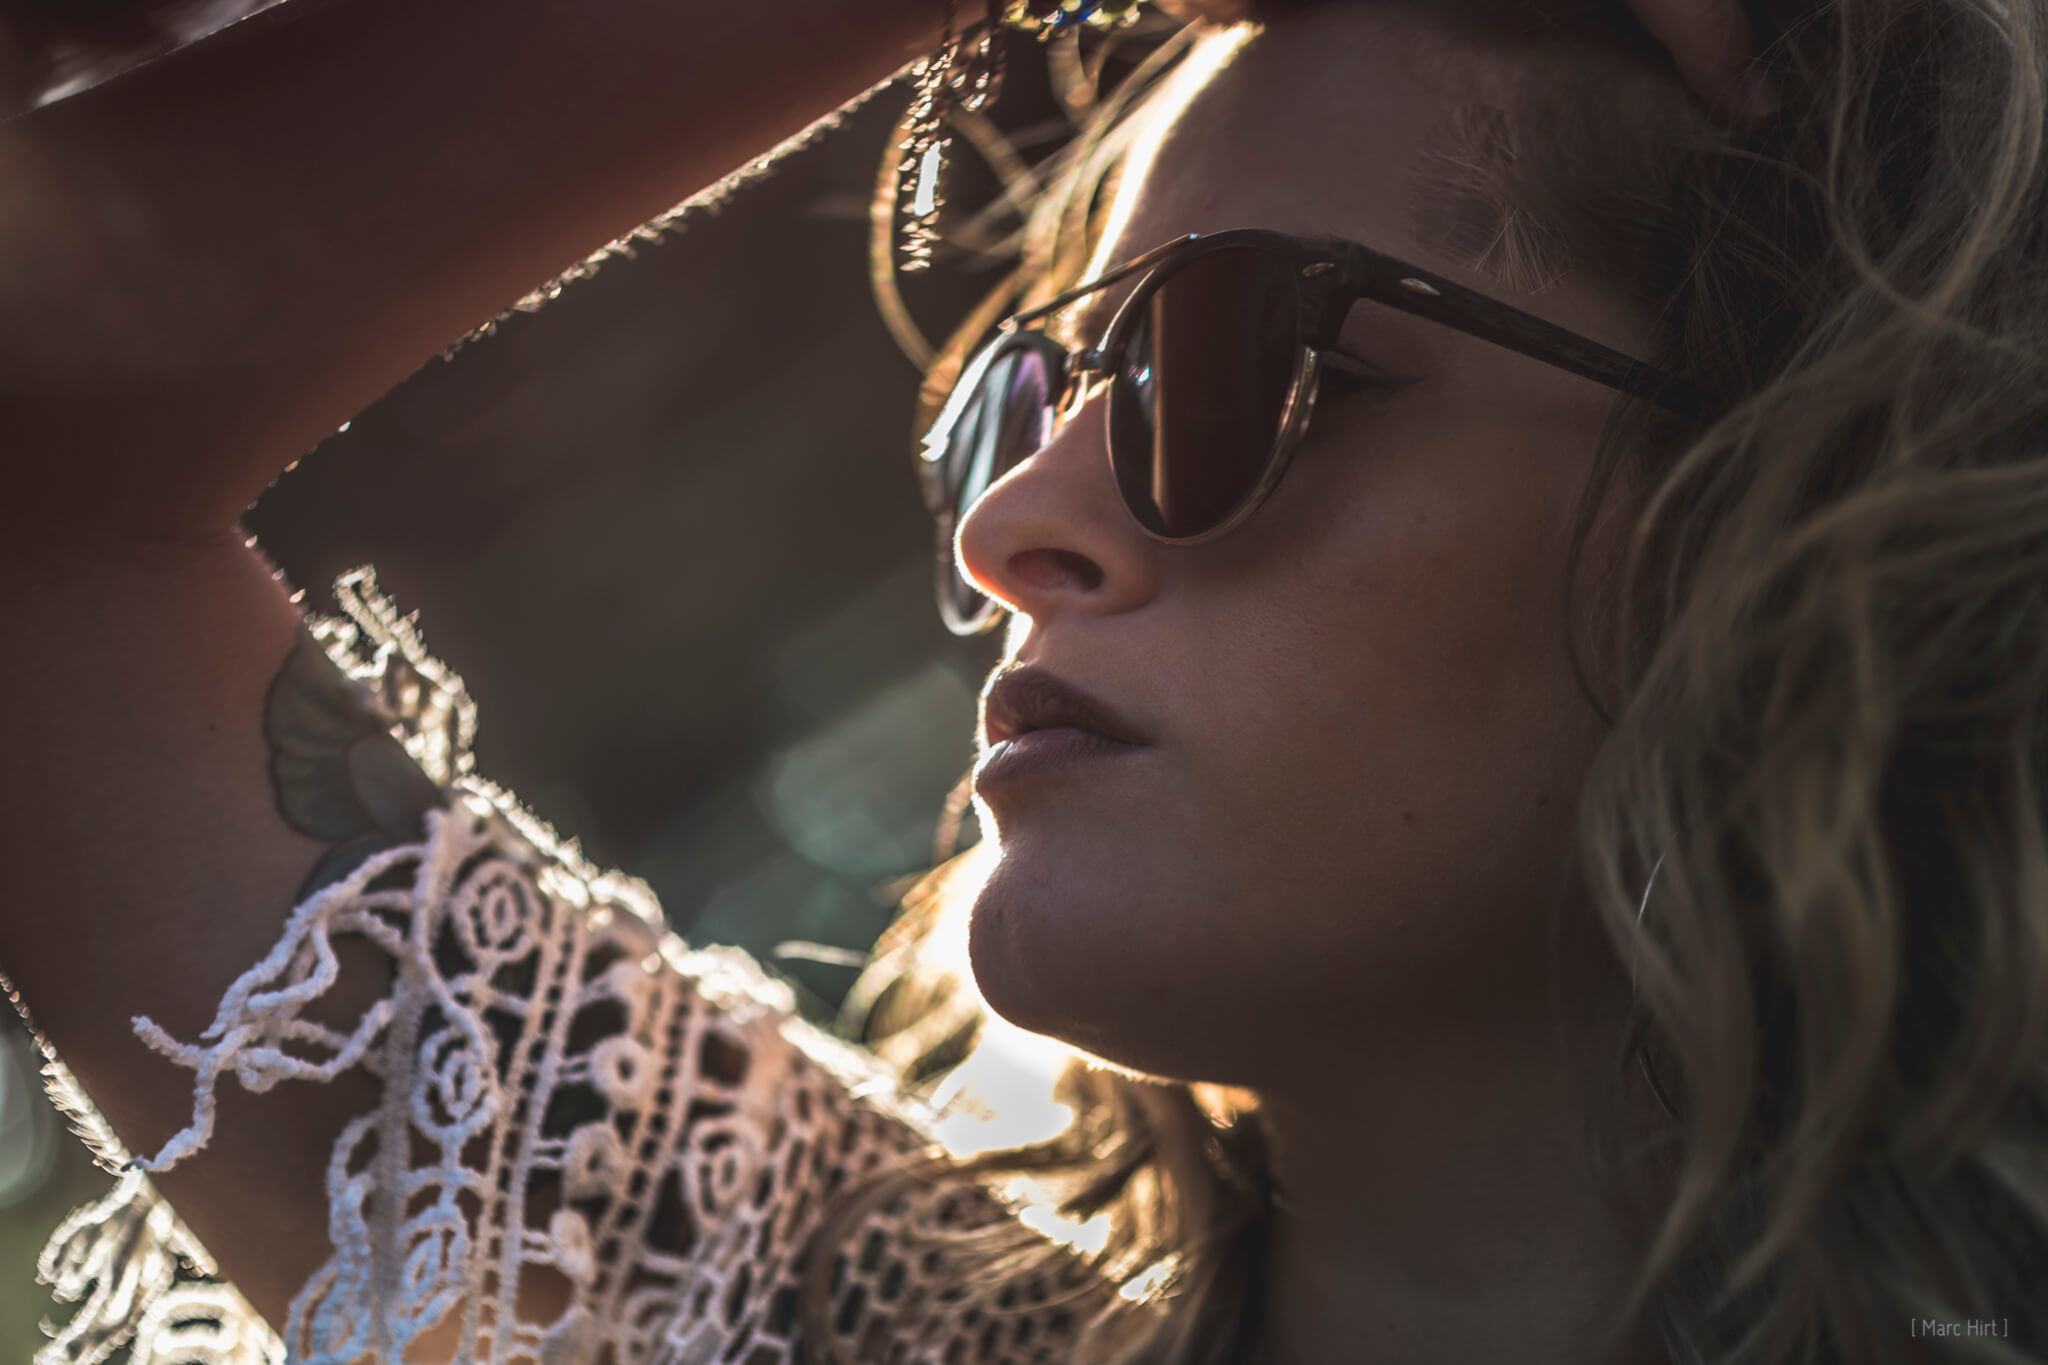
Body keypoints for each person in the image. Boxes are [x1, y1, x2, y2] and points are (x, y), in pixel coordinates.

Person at [0, 0, 2043, 1360]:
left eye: (1232, 363)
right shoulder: (812, 1320)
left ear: (1802, 489)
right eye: (1028, 396)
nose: (1007, 535)